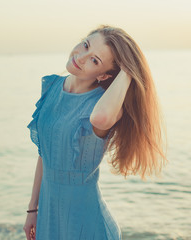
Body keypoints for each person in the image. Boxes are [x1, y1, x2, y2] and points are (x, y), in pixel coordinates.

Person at [23, 25, 167, 240]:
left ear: (105, 75)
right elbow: (44, 153)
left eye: (94, 61)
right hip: (49, 217)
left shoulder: (107, 107)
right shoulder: (51, 86)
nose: (81, 57)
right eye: (86, 45)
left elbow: (99, 119)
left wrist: (129, 70)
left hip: (87, 225)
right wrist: (32, 209)